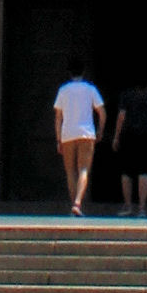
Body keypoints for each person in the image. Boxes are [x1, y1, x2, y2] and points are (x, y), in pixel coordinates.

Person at [51, 67, 103, 216]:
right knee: (83, 169)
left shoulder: (63, 90)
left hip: (68, 133)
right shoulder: (90, 89)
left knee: (70, 171)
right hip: (86, 133)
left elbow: (58, 117)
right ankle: (78, 203)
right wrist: (100, 129)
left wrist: (58, 139)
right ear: (83, 73)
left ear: (70, 73)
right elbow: (102, 112)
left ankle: (74, 202)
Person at [113, 76, 147, 216]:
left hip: (129, 135)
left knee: (127, 172)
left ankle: (128, 205)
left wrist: (116, 136)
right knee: (144, 171)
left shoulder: (127, 95)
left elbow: (121, 116)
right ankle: (142, 207)